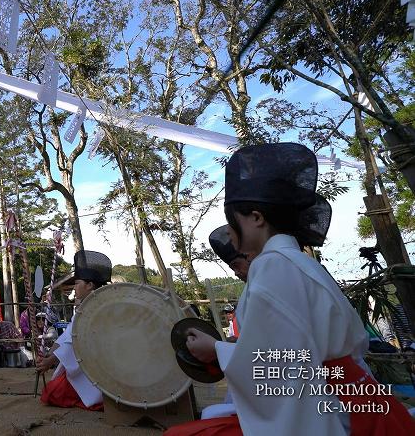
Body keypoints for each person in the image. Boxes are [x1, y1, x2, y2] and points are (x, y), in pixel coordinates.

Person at [166, 142, 415, 436]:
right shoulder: (297, 262)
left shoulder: (274, 267)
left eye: (234, 218)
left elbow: (283, 369)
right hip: (354, 397)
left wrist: (216, 350)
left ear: (257, 218)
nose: (230, 231)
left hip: (330, 410)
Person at [37, 250, 111, 411]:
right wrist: (50, 354)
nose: (74, 287)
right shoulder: (85, 307)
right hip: (89, 363)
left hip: (103, 366)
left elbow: (78, 341)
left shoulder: (99, 308)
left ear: (90, 285)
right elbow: (69, 335)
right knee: (53, 390)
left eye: (77, 283)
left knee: (52, 393)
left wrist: (50, 361)